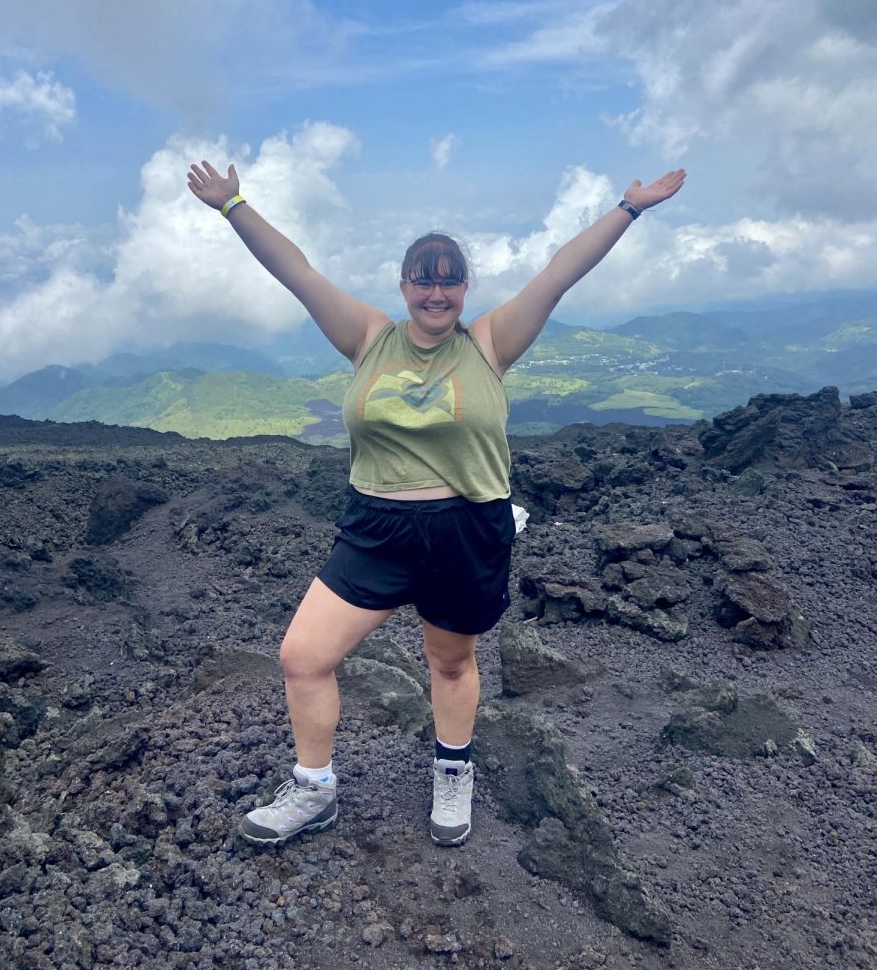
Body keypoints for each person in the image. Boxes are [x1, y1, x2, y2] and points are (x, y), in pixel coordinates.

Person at [187, 158, 686, 847]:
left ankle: (453, 768)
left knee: (450, 661)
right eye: (424, 275)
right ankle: (314, 790)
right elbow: (296, 271)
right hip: (375, 526)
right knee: (302, 656)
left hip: (463, 526)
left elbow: (560, 272)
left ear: (463, 289)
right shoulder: (368, 337)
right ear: (404, 285)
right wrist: (232, 203)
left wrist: (627, 208)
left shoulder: (489, 344)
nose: (436, 288)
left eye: (449, 276)